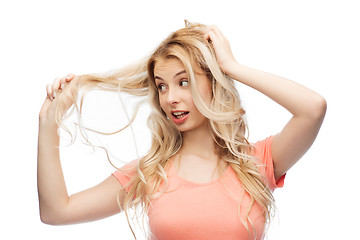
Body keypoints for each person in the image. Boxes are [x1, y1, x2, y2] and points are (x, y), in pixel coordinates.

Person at [37, 21, 327, 240]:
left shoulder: (257, 162)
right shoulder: (151, 172)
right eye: (161, 85)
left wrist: (231, 66)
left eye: (183, 81)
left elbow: (313, 108)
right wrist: (48, 124)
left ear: (214, 82)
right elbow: (56, 212)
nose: (169, 97)